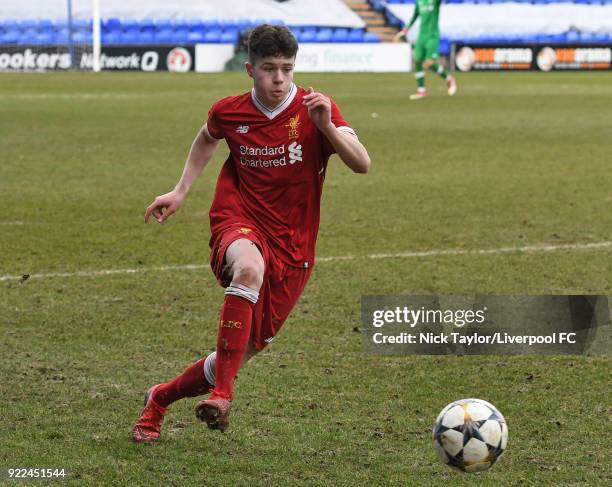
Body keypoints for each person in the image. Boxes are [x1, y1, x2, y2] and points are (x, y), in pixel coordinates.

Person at [132, 24, 371, 442]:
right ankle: (223, 395)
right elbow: (207, 137)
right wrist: (181, 189)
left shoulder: (316, 109)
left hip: (294, 245)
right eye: (268, 69)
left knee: (236, 354)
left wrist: (327, 127)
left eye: (286, 69)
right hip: (238, 217)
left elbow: (362, 163)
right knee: (247, 269)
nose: (278, 79)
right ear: (249, 69)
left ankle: (161, 398)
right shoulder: (231, 110)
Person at [393, 0, 457, 100]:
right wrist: (404, 31)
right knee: (417, 60)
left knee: (429, 63)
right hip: (421, 36)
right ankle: (421, 91)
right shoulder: (419, 2)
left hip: (432, 36)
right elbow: (414, 17)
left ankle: (448, 78)